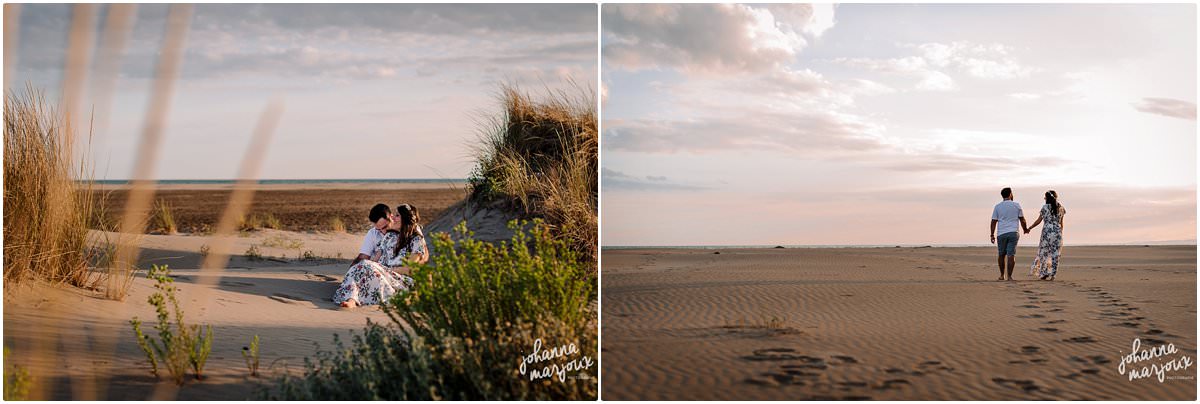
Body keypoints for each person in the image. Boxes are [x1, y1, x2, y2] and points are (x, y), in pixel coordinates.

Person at [990, 187, 1029, 281]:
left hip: (1001, 233)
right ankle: (1010, 276)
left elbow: (993, 221)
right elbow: (1022, 219)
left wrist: (992, 234)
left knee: (1001, 254)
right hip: (1013, 232)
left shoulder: (998, 206)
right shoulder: (1016, 205)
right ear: (1010, 194)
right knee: (1011, 255)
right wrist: (1025, 229)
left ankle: (1002, 275)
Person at [1026, 190, 1066, 280]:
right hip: (1057, 232)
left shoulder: (1045, 207)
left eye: (1045, 197)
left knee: (1044, 252)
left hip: (1047, 232)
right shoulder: (1062, 208)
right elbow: (1061, 223)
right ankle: (1053, 275)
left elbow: (1039, 220)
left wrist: (1030, 228)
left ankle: (1044, 273)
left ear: (1047, 198)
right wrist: (1060, 233)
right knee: (1055, 254)